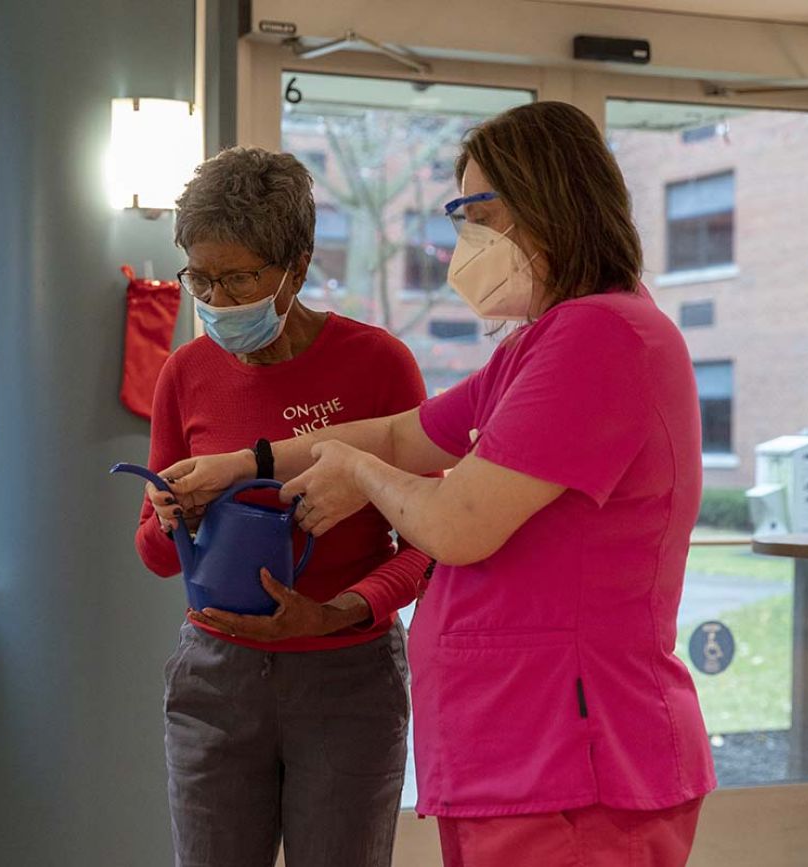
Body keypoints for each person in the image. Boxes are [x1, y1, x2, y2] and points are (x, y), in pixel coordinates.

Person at [158, 102, 717, 867]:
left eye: (477, 214)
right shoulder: (543, 344)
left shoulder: (601, 337)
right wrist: (243, 464)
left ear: (548, 205)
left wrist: (356, 479)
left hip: (570, 755)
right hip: (517, 749)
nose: (464, 241)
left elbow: (454, 524)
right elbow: (403, 433)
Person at [134, 146, 430, 867]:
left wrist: (339, 611)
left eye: (237, 277)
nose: (217, 298)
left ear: (295, 268)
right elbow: (151, 550)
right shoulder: (185, 373)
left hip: (348, 679)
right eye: (199, 276)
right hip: (215, 677)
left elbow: (426, 539)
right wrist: (173, 517)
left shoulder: (377, 365)